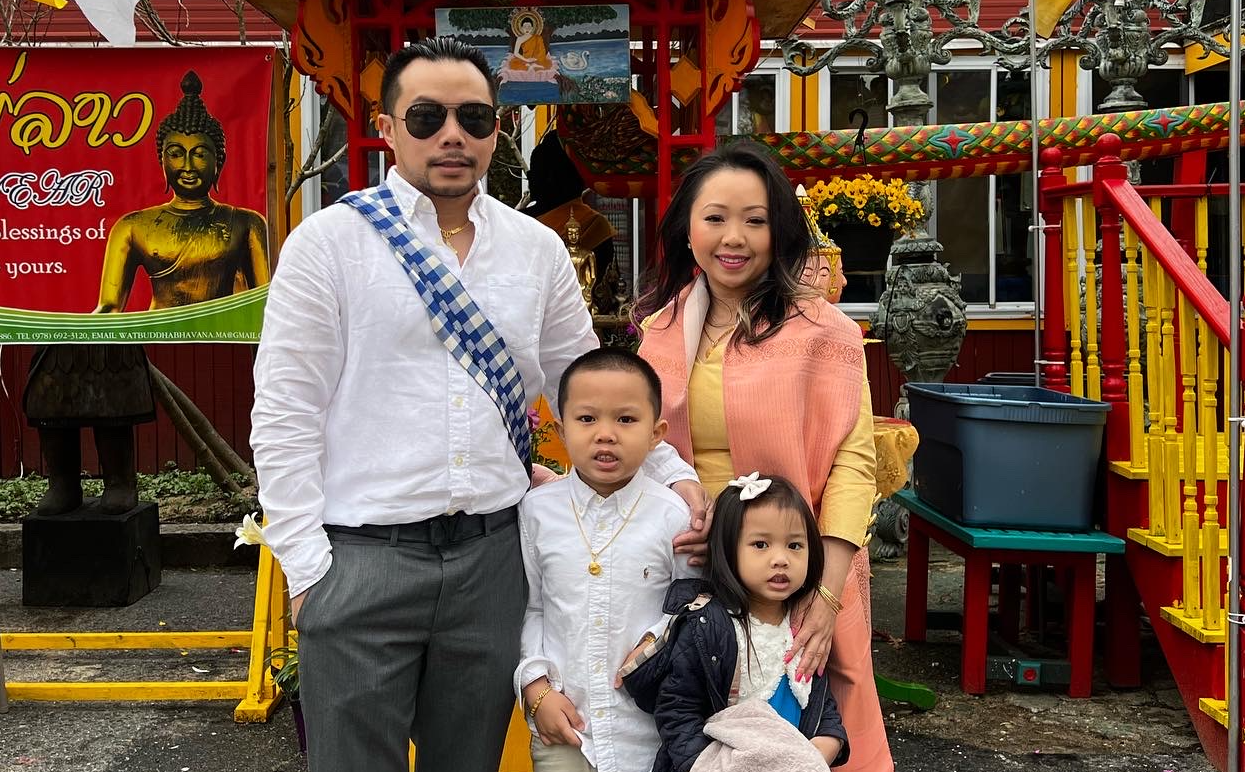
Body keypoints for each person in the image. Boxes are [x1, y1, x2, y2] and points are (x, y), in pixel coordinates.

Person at [249, 38, 706, 772]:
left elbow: (583, 384)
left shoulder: (536, 250)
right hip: (363, 554)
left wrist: (669, 468)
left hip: (493, 561)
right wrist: (308, 573)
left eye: (474, 116)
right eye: (426, 116)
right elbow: (284, 410)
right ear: (388, 126)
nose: (451, 134)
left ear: (499, 128)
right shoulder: (328, 244)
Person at [634, 141, 893, 771]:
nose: (735, 237)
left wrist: (824, 596)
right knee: (684, 733)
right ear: (685, 228)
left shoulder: (823, 331)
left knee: (812, 735)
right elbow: (647, 449)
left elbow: (854, 466)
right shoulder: (659, 329)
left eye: (756, 220)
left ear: (780, 232)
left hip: (795, 573)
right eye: (716, 217)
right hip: (690, 573)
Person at [515, 348, 695, 772]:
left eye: (626, 419)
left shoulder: (674, 516)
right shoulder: (537, 512)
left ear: (656, 433)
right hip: (565, 725)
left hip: (649, 730)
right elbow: (531, 607)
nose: (606, 434)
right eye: (587, 419)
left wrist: (655, 640)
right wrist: (535, 688)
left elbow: (691, 608)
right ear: (560, 429)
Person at [622, 474, 850, 771]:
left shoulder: (804, 627)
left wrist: (820, 750)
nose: (780, 559)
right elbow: (678, 710)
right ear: (728, 551)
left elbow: (823, 709)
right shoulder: (708, 625)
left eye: (794, 546)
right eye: (760, 544)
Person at [94, 70, 269, 312]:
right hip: (158, 341)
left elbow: (263, 306)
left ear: (219, 161)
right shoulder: (132, 226)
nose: (187, 166)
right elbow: (109, 308)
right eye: (176, 154)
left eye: (199, 154)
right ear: (162, 162)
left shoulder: (246, 223)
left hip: (222, 340)